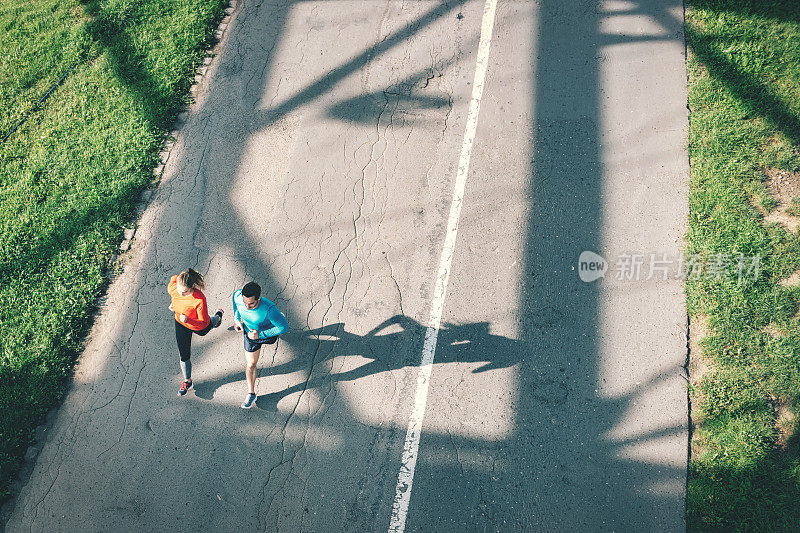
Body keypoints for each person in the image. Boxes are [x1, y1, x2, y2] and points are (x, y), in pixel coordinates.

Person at [232, 282, 289, 408]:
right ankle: (251, 393)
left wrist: (261, 335)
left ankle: (279, 317)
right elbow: (236, 304)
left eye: (251, 303)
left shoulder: (269, 309)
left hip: (266, 334)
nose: (247, 306)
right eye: (245, 302)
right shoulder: (237, 296)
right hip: (250, 335)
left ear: (259, 297)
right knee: (251, 364)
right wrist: (236, 319)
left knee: (279, 323)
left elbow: (284, 327)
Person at [167, 269, 224, 396]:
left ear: (192, 286)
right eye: (179, 290)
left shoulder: (199, 299)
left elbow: (202, 322)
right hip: (181, 324)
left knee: (209, 323)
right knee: (184, 354)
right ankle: (187, 381)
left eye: (185, 292)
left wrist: (188, 319)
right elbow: (174, 278)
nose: (181, 294)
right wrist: (174, 305)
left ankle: (218, 317)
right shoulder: (174, 287)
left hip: (198, 326)